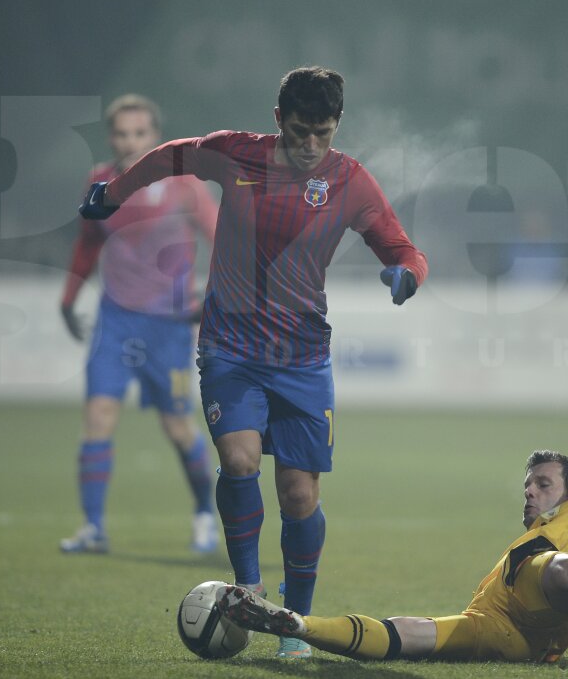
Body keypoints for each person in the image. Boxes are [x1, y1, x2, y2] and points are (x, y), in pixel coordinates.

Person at [79, 67, 428, 659]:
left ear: (336, 125)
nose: (311, 143)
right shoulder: (234, 156)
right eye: (300, 130)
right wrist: (113, 194)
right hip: (230, 347)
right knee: (238, 459)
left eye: (323, 131)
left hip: (302, 357)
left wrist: (406, 276)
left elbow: (402, 248)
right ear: (278, 120)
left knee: (298, 495)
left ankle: (297, 620)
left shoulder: (349, 181)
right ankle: (248, 586)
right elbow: (170, 157)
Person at [216, 330, 568, 670]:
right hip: (498, 617)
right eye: (528, 485)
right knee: (409, 633)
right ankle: (292, 623)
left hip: (548, 604)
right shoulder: (524, 543)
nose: (529, 491)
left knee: (564, 571)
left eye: (543, 484)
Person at [60, 94, 220, 556]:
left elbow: (222, 239)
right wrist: (68, 299)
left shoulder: (184, 183)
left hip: (169, 326)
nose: (130, 142)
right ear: (111, 137)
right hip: (115, 319)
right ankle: (93, 527)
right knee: (98, 417)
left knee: (177, 427)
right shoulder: (99, 182)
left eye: (139, 134)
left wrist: (215, 297)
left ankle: (204, 514)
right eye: (121, 134)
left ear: (155, 136)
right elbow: (88, 244)